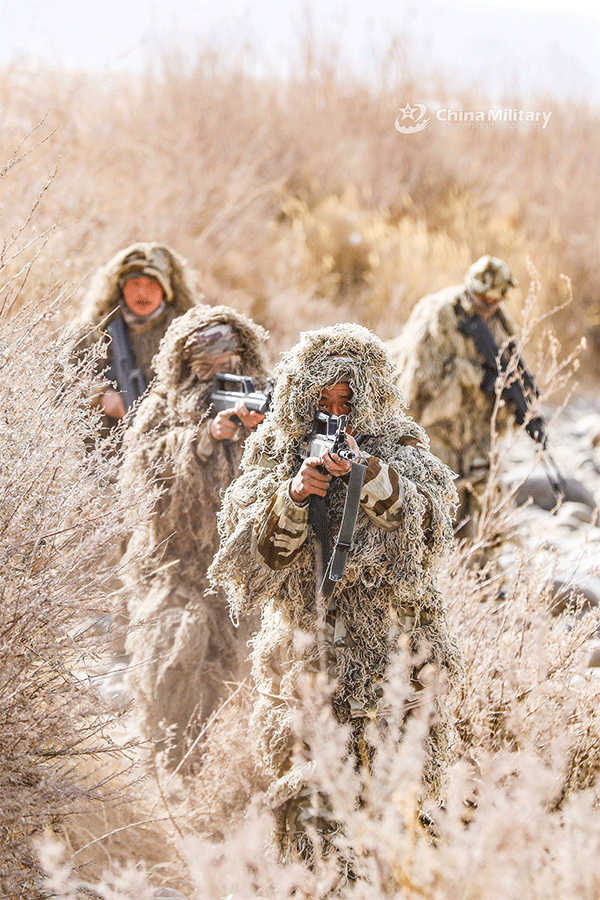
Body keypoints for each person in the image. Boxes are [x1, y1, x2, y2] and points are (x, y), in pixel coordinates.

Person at [208, 323, 462, 867]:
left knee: (398, 812)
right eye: (324, 396)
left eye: (347, 396)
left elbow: (428, 528)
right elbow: (258, 558)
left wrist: (370, 478)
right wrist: (296, 493)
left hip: (394, 662)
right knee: (311, 821)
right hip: (308, 665)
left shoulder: (402, 446)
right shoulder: (274, 457)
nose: (336, 407)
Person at [119, 304, 270, 768]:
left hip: (245, 569)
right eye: (205, 368)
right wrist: (202, 439)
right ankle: (173, 765)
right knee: (173, 666)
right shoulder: (163, 408)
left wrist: (261, 436)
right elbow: (146, 474)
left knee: (243, 676)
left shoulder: (267, 401)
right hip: (177, 564)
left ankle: (231, 770)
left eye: (227, 366)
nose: (217, 377)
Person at [387, 255, 544, 546]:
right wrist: (477, 377)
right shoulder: (439, 314)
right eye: (480, 298)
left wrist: (520, 404)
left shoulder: (500, 322)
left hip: (478, 432)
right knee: (435, 508)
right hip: (439, 428)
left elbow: (509, 369)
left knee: (483, 506)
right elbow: (423, 378)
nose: (485, 305)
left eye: (493, 300)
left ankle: (478, 575)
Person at [74, 242, 199, 441]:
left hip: (169, 442)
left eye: (152, 284)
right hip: (105, 448)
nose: (142, 293)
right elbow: (61, 378)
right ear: (121, 288)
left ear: (166, 290)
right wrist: (99, 396)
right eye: (135, 284)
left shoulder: (187, 330)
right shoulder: (96, 327)